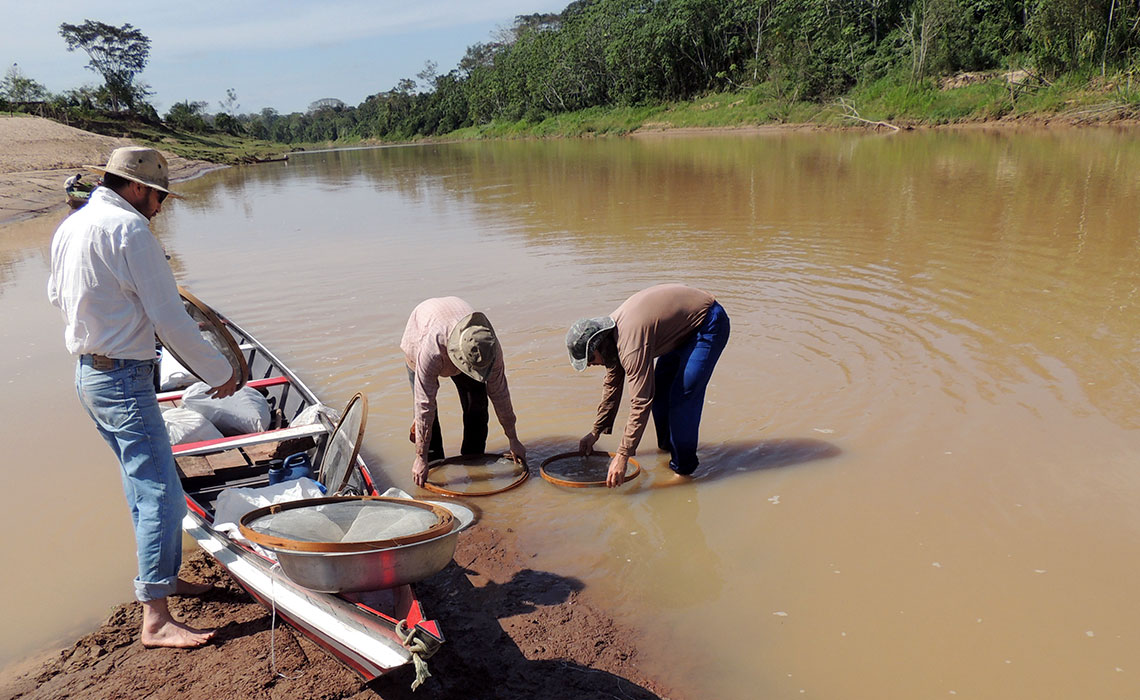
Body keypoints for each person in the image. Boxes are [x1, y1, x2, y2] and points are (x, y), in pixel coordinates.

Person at [47, 146, 238, 648]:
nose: (160, 206)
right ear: (137, 188)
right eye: (159, 196)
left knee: (140, 486)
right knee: (161, 491)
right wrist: (222, 371)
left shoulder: (71, 227)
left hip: (90, 375)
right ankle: (155, 618)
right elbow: (170, 317)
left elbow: (56, 296)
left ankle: (164, 581)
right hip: (125, 380)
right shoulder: (130, 230)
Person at [566, 283, 730, 487]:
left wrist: (623, 455)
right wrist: (595, 432)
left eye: (590, 359)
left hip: (707, 323)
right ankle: (668, 448)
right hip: (680, 329)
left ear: (598, 344)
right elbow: (612, 387)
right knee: (661, 392)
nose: (591, 364)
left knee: (682, 398)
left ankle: (684, 470)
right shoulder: (610, 339)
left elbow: (641, 402)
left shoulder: (630, 345)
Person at [401, 297, 527, 487]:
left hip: (461, 332)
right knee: (428, 418)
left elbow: (500, 392)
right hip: (421, 333)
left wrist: (513, 438)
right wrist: (420, 456)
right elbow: (424, 404)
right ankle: (432, 466)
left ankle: (473, 461)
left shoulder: (488, 346)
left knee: (477, 405)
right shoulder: (431, 350)